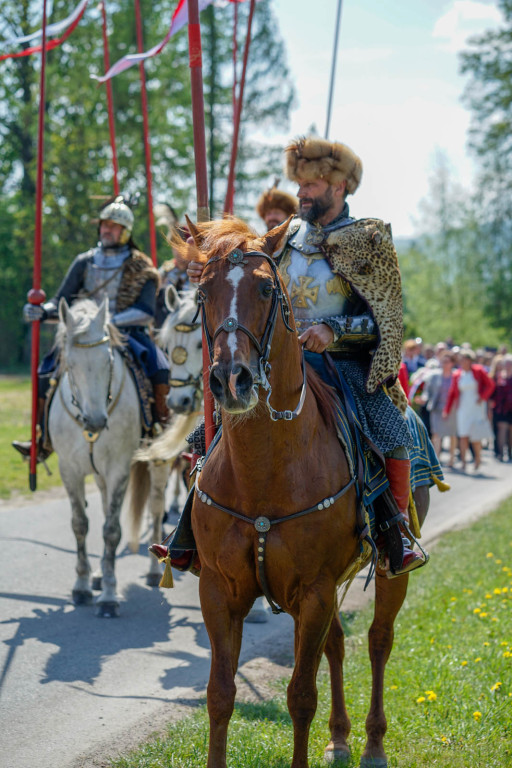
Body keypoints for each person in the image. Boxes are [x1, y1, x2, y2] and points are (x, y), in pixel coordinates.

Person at [188, 135, 427, 578]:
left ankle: (396, 535)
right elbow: (243, 276)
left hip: (343, 364)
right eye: (299, 184)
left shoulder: (369, 239)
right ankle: (193, 533)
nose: (301, 193)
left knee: (393, 428)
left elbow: (386, 321)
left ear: (339, 187)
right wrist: (206, 266)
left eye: (311, 184)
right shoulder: (283, 238)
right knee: (204, 435)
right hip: (276, 362)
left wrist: (331, 329)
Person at [13, 196, 170, 462]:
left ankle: (159, 430)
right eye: (104, 225)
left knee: (161, 367)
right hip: (83, 335)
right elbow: (61, 298)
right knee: (45, 370)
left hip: (127, 332)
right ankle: (41, 438)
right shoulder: (84, 261)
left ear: (125, 231)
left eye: (113, 226)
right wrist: (42, 312)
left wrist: (108, 322)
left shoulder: (141, 266)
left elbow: (145, 312)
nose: (106, 230)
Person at [443, 349, 495, 472]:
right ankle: (464, 461)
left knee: (476, 435)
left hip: (476, 407)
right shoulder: (457, 374)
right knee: (463, 435)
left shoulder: (478, 371)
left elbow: (490, 385)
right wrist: (447, 409)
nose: (463, 362)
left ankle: (478, 458)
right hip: (463, 408)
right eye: (461, 359)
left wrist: (482, 397)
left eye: (465, 359)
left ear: (470, 360)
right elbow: (452, 393)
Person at [422, 351, 457, 466]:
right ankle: (436, 458)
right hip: (436, 408)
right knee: (436, 433)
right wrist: (424, 398)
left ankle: (452, 458)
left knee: (452, 434)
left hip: (452, 409)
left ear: (452, 363)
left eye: (447, 362)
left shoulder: (456, 376)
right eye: (443, 361)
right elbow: (427, 391)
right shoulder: (434, 375)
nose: (444, 364)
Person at [492, 354, 512, 461]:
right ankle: (500, 453)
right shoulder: (499, 376)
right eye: (507, 363)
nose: (508, 366)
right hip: (501, 409)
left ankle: (510, 452)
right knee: (502, 430)